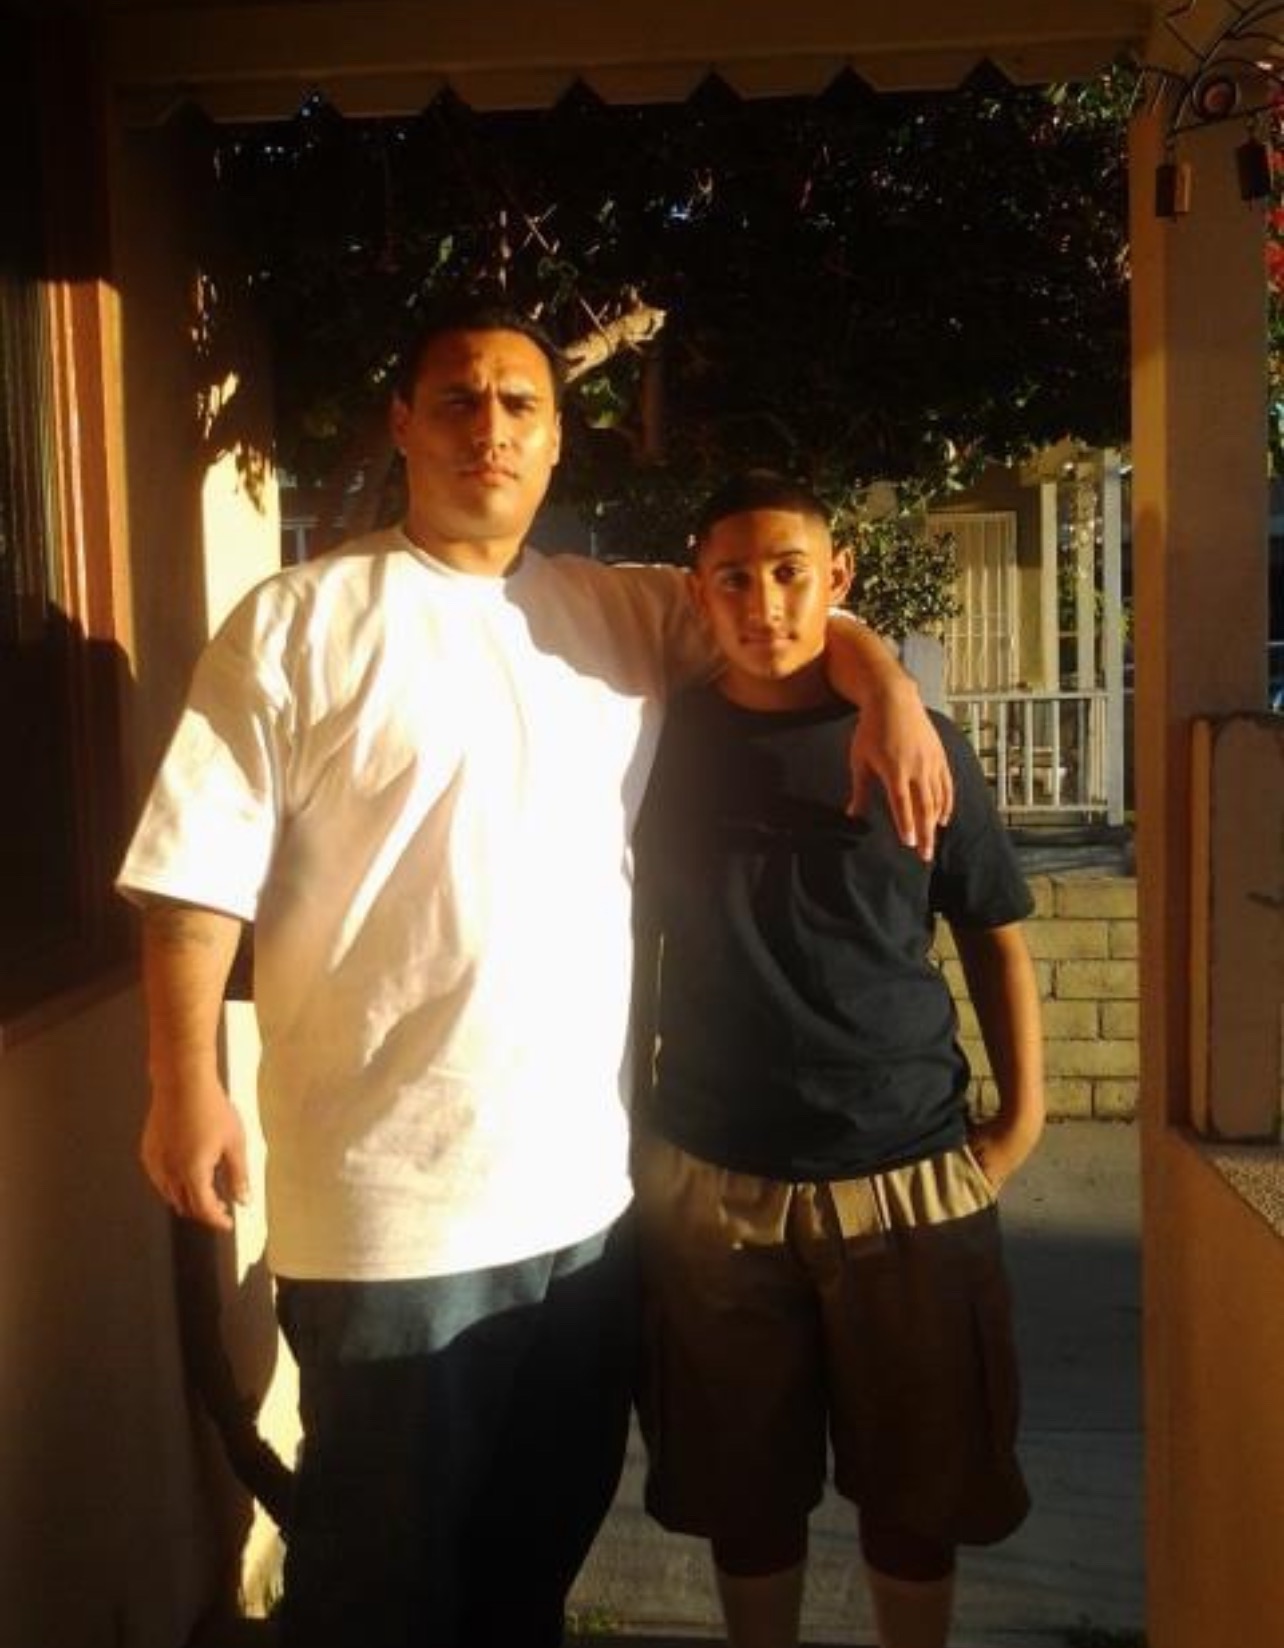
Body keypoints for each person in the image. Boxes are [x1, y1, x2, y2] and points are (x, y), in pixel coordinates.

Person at [116, 300, 952, 1648]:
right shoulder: (300, 619)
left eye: (520, 405)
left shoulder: (617, 611)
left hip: (583, 1220)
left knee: (530, 1572)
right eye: (458, 399)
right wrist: (183, 1085)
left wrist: (890, 689)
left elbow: (789, 613)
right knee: (377, 1595)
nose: (489, 428)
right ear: (403, 425)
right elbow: (193, 870)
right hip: (389, 1225)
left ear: (559, 440)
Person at [631, 471, 1045, 1648]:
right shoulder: (655, 750)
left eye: (790, 572)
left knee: (921, 1492)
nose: (764, 603)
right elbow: (630, 950)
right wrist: (632, 1130)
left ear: (839, 577)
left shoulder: (921, 744)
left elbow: (994, 932)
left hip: (906, 1173)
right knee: (743, 1491)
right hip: (713, 1175)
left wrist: (1021, 1122)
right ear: (698, 592)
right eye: (733, 578)